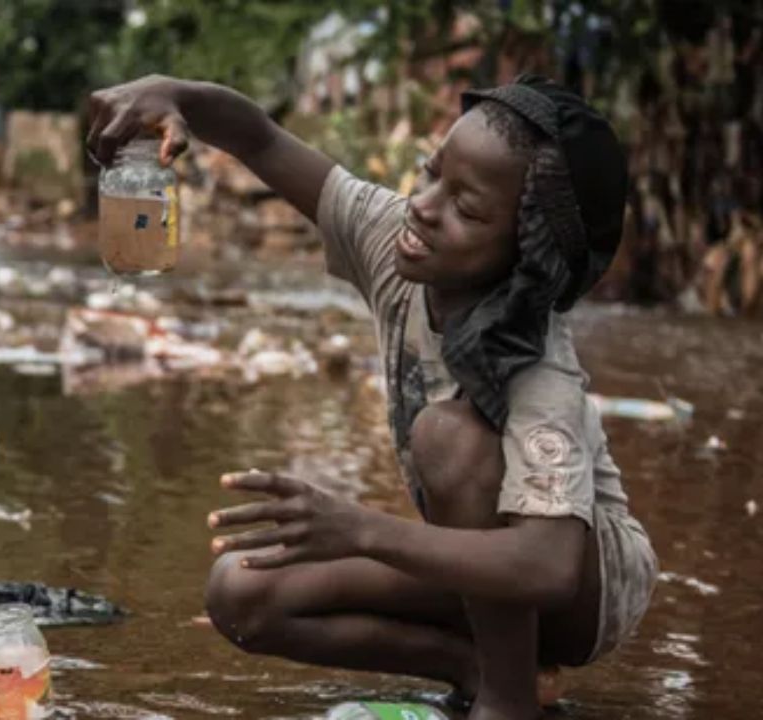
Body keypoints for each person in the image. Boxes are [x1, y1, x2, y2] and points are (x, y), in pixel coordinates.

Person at [85, 74, 659, 720]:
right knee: (243, 592)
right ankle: (472, 668)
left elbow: (548, 564)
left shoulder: (539, 368)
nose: (424, 205)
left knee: (448, 437)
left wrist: (358, 529)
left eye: (467, 210)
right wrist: (176, 98)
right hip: (492, 568)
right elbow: (262, 138)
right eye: (431, 172)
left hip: (586, 591)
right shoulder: (394, 244)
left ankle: (507, 701)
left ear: (524, 257)